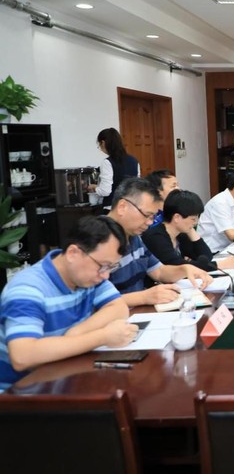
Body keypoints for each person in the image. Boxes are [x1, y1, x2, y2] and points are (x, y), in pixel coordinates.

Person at [0, 216, 138, 391]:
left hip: (64, 379)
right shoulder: (27, 289)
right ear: (73, 253)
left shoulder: (88, 277)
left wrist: (76, 333)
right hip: (21, 395)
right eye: (103, 266)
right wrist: (103, 337)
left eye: (111, 267)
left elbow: (118, 308)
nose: (105, 275)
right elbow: (23, 356)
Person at [107, 178, 212, 306]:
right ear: (122, 207)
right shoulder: (96, 240)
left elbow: (159, 272)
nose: (150, 222)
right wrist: (143, 297)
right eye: (147, 215)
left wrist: (185, 269)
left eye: (153, 217)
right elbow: (94, 302)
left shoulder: (133, 236)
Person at [142, 190, 234, 271]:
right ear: (177, 217)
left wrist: (191, 231)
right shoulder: (155, 237)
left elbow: (206, 257)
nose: (196, 222)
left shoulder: (181, 234)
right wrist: (218, 265)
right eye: (193, 219)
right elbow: (178, 266)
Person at [87, 128, 140, 208]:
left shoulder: (107, 162)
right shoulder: (134, 161)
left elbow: (105, 191)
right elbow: (137, 186)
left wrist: (95, 188)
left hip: (112, 207)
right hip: (131, 206)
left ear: (103, 143)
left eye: (99, 145)